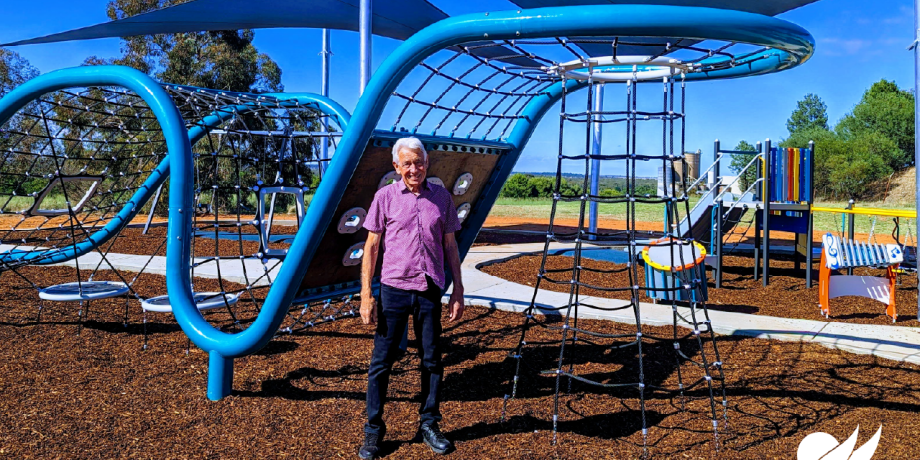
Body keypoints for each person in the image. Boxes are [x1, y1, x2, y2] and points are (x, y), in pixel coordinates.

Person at [358, 137, 465, 459]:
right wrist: (366, 294)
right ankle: (373, 431)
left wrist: (457, 288)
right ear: (396, 167)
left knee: (432, 360)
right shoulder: (385, 197)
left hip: (430, 288)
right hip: (393, 289)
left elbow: (450, 246)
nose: (414, 169)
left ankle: (429, 423)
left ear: (426, 163)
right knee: (381, 362)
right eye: (407, 163)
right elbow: (372, 247)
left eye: (418, 162)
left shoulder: (441, 198)